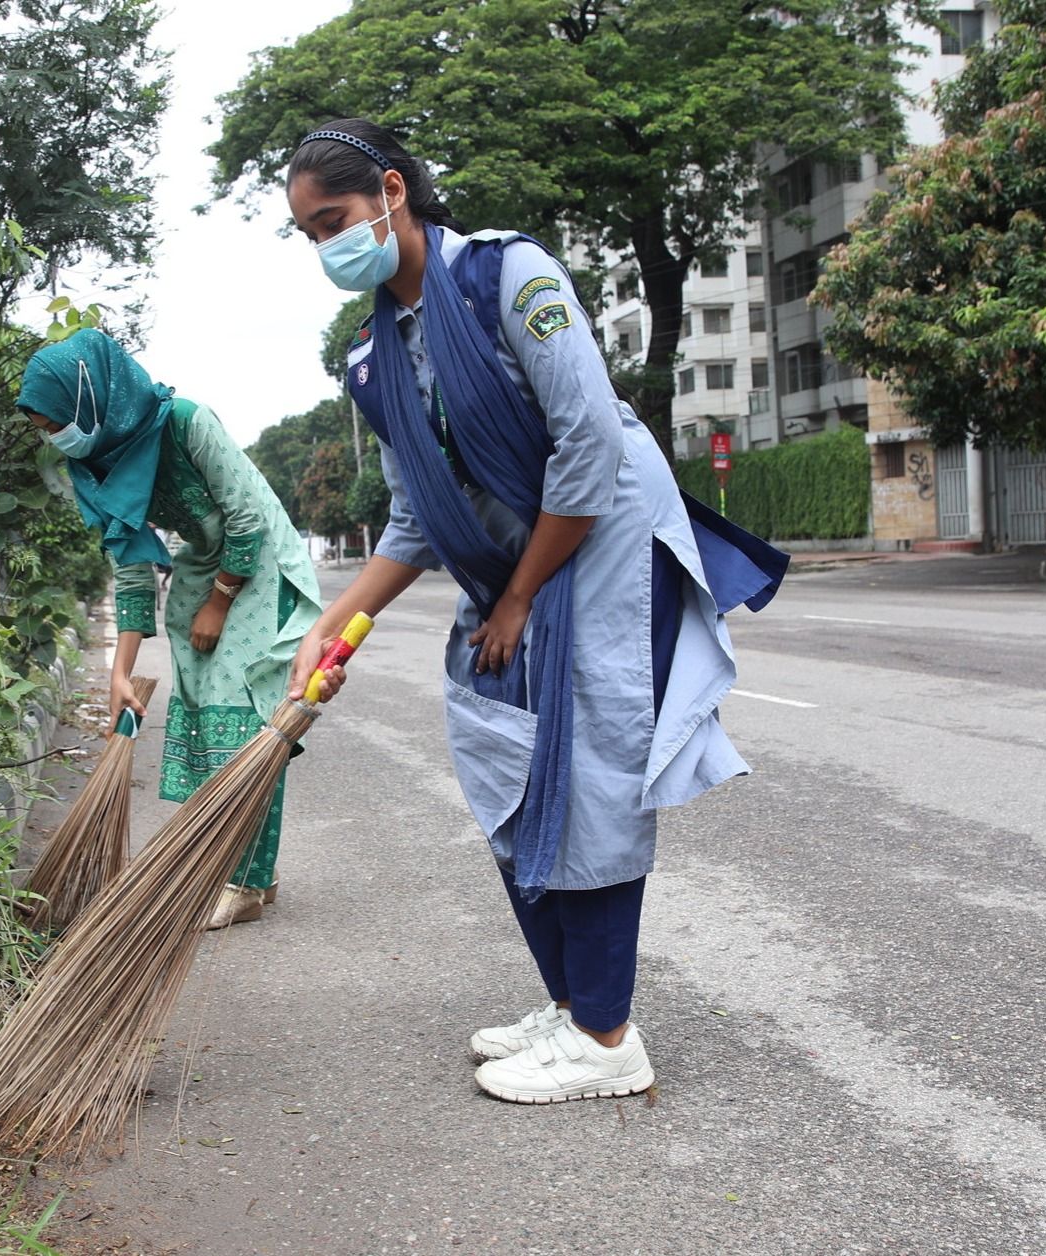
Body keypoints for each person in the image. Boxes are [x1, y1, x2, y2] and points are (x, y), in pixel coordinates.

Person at [281, 120, 787, 1104]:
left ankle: (605, 1035)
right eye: (307, 234)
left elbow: (587, 446)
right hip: (512, 569)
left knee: (588, 782)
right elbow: (412, 514)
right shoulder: (378, 354)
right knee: (509, 769)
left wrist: (517, 597)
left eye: (331, 219)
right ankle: (569, 1003)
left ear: (391, 190)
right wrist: (335, 621)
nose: (325, 247)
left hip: (600, 550)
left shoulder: (510, 279)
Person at [18, 329, 325, 929]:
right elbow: (131, 565)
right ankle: (248, 873)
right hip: (203, 565)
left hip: (259, 562)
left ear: (88, 400)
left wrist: (220, 602)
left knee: (243, 721)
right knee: (208, 718)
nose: (53, 438)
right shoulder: (97, 461)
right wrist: (120, 671)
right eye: (42, 430)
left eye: (54, 423)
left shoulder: (186, 422)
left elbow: (246, 517)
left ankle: (242, 882)